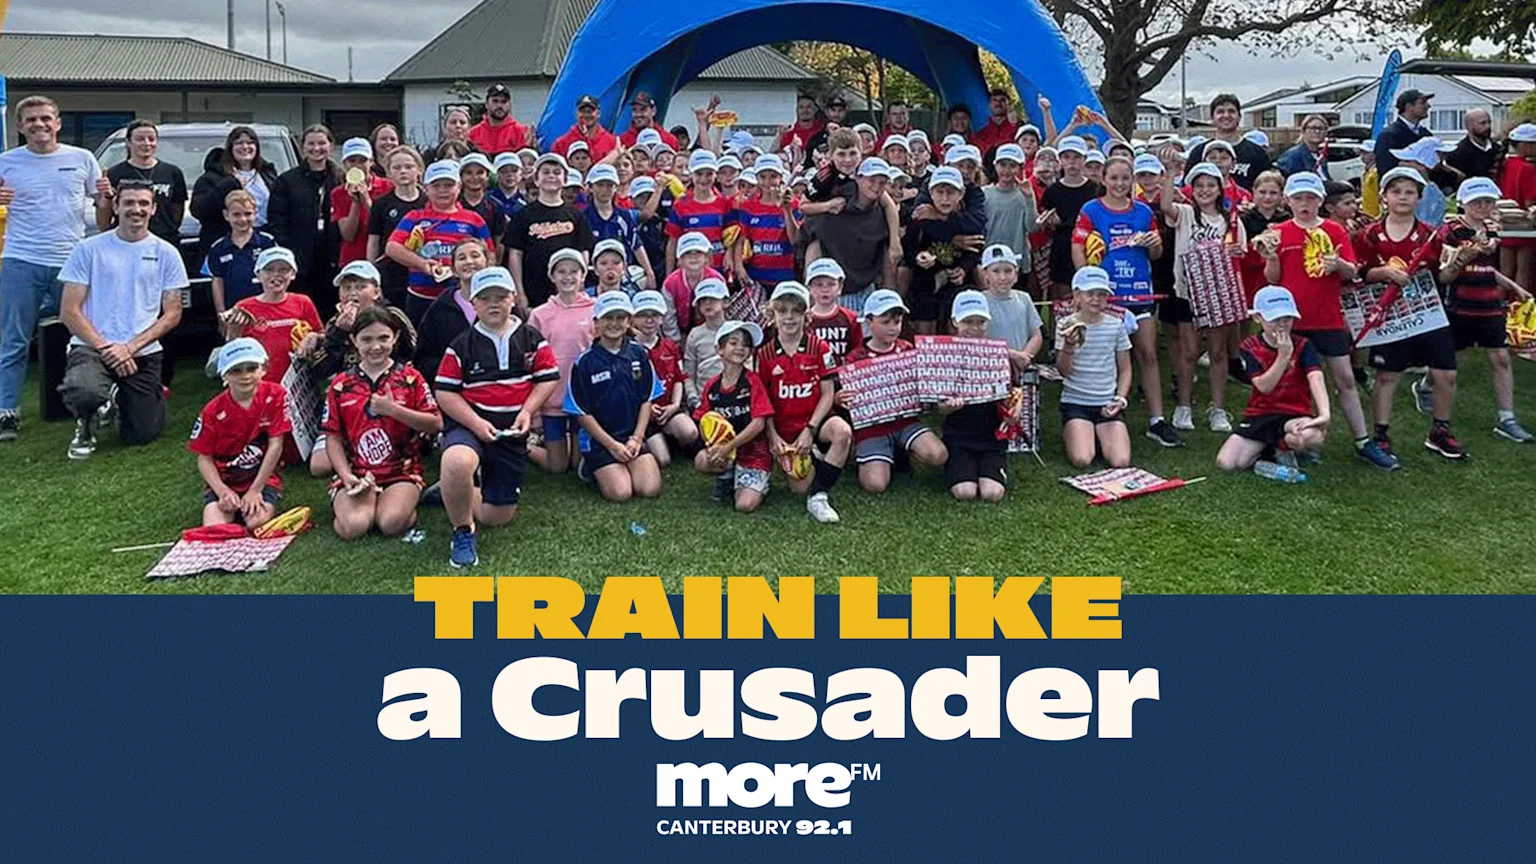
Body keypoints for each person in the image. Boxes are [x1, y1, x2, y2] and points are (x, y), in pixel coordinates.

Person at [1259, 172, 1394, 468]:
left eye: (1310, 198)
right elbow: (1273, 279)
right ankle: (1301, 438)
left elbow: (1352, 272)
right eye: (1298, 198)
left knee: (1345, 379)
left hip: (1328, 318)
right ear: (1288, 201)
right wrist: (1272, 257)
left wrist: (1339, 264)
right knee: (1294, 383)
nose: (1304, 204)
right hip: (1292, 321)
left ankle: (1363, 440)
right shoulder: (1279, 232)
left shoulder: (1334, 230)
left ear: (1321, 201)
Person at [434, 266, 559, 568]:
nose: (493, 304)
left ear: (513, 298)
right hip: (470, 426)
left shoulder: (531, 338)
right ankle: (462, 530)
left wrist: (527, 411)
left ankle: (452, 490)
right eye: (485, 298)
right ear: (473, 303)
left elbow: (548, 378)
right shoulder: (461, 344)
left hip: (511, 432)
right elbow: (445, 393)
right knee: (457, 461)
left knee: (497, 517)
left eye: (500, 297)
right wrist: (476, 423)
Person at [0, 95, 109, 441]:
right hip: (21, 260)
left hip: (71, 262)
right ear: (20, 127)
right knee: (13, 340)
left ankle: (93, 402)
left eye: (46, 118)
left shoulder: (82, 158)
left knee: (85, 334)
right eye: (31, 120)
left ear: (58, 123)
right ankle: (6, 411)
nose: (39, 125)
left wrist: (106, 197)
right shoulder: (6, 162)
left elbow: (102, 214)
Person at [56, 180, 186, 458]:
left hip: (142, 351)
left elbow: (173, 312)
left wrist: (129, 348)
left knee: (142, 434)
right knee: (85, 390)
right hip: (92, 347)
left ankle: (117, 398)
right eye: (129, 203)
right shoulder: (88, 249)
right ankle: (86, 423)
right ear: (115, 206)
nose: (136, 209)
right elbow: (69, 310)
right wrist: (107, 348)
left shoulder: (167, 253)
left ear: (153, 209)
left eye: (143, 203)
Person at [1353, 167, 1463, 460]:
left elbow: (1442, 276)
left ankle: (1440, 430)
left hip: (1427, 312)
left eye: (1409, 192)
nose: (1402, 197)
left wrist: (1457, 264)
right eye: (1396, 191)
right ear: (1384, 197)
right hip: (1390, 314)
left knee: (1446, 373)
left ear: (1419, 198)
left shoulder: (1430, 235)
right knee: (1388, 374)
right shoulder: (1369, 235)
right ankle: (1381, 433)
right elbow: (1359, 274)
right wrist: (1384, 273)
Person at [1073, 156, 1174, 445]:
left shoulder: (1143, 211)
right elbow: (1077, 247)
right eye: (1114, 178)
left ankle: (1157, 420)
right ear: (1103, 179)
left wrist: (1155, 245)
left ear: (1133, 180)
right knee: (1106, 355)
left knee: (1148, 353)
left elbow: (1155, 253)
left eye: (1125, 178)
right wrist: (1084, 285)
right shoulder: (1091, 209)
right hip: (1106, 294)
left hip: (1139, 290)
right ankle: (1105, 413)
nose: (1119, 184)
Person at [322, 305, 442, 539]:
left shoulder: (410, 378)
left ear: (395, 338)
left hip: (401, 473)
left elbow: (435, 424)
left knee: (390, 523)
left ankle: (395, 504)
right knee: (354, 527)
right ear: (354, 341)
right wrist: (346, 476)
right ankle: (364, 501)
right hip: (357, 473)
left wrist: (394, 410)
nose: (375, 347)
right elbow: (332, 437)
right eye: (366, 339)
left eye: (383, 338)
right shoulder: (341, 384)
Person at [1440, 177, 1535, 443]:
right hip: (1459, 303)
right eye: (1476, 202)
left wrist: (1513, 286)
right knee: (1450, 359)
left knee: (1501, 357)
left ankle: (1507, 418)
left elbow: (1487, 268)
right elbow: (1446, 274)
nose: (1482, 206)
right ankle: (1425, 387)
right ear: (1463, 203)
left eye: (1488, 201)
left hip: (1489, 304)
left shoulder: (1492, 230)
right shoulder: (1452, 230)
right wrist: (1464, 256)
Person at [306, 260, 418, 478]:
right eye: (346, 287)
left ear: (376, 292)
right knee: (319, 466)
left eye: (360, 286)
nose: (352, 292)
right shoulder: (336, 323)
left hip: (390, 398)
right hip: (349, 404)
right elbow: (320, 369)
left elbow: (413, 351)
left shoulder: (393, 316)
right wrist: (338, 334)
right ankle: (351, 449)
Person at [1159, 162, 1245, 434]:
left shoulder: (1231, 219)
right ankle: (1183, 406)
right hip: (1187, 292)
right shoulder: (1185, 213)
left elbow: (1240, 251)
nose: (1205, 190)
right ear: (1191, 189)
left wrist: (1236, 253)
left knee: (1218, 351)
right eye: (1199, 185)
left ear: (1220, 189)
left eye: (1210, 185)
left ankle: (1217, 408)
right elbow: (1165, 206)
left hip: (1218, 293)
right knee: (1189, 351)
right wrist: (1170, 173)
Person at [757, 281, 851, 524]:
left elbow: (828, 393)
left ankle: (819, 497)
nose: (789, 317)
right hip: (785, 427)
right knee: (799, 487)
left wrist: (810, 429)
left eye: (796, 311)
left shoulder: (819, 347)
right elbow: (764, 403)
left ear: (806, 315)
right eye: (782, 311)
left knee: (842, 432)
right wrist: (773, 436)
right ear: (772, 314)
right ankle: (818, 462)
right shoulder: (764, 355)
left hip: (815, 421)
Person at [845, 290, 949, 493]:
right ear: (869, 322)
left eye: (897, 321)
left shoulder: (907, 349)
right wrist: (842, 398)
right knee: (875, 485)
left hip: (905, 421)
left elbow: (923, 384)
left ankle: (900, 452)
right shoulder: (855, 358)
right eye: (885, 322)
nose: (893, 327)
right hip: (871, 428)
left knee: (938, 454)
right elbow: (848, 397)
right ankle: (870, 457)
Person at [563, 292, 664, 501]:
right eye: (608, 317)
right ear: (596, 322)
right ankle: (590, 465)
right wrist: (612, 445)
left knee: (649, 489)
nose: (614, 323)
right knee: (621, 493)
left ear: (629, 321)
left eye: (620, 317)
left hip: (631, 437)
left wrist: (636, 439)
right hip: (601, 442)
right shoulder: (585, 362)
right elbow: (581, 413)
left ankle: (626, 462)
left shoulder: (639, 354)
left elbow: (646, 399)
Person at [1216, 287, 1330, 472]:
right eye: (1275, 319)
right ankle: (1269, 450)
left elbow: (1315, 377)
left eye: (1288, 318)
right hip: (1261, 414)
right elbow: (1264, 386)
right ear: (1258, 318)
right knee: (1227, 463)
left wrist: (1324, 413)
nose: (1282, 324)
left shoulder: (1303, 345)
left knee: (1310, 436)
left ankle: (1284, 447)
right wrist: (1283, 356)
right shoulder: (1250, 346)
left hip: (1294, 413)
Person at [190, 338, 289, 528]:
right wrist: (222, 491)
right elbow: (204, 458)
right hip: (225, 479)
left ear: (263, 369)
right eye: (236, 371)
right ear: (224, 375)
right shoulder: (212, 412)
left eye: (251, 368)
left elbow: (276, 445)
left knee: (256, 522)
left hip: (261, 478)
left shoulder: (276, 395)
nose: (245, 376)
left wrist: (256, 490)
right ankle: (228, 503)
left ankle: (260, 498)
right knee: (214, 526)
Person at [387, 159, 493, 324]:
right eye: (436, 186)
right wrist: (422, 264)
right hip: (421, 296)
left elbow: (490, 255)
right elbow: (392, 247)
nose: (442, 190)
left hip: (462, 297)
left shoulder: (474, 219)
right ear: (426, 188)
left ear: (459, 187)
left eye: (448, 185)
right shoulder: (414, 217)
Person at [527, 248, 598, 474]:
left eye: (574, 271)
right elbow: (531, 360)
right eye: (561, 272)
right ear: (552, 276)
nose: (568, 277)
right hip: (552, 399)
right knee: (557, 467)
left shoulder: (595, 309)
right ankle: (522, 447)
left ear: (583, 275)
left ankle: (573, 444)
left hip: (582, 397)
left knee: (577, 463)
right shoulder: (540, 314)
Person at [939, 291, 1014, 502]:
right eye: (967, 321)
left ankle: (993, 467)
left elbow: (1012, 395)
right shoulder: (944, 355)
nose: (974, 328)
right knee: (964, 492)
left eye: (980, 322)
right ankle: (957, 466)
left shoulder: (997, 354)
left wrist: (1013, 410)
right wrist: (948, 407)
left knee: (993, 493)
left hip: (992, 437)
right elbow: (938, 407)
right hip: (958, 436)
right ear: (955, 321)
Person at [223, 247, 325, 402]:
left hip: (298, 383)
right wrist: (233, 330)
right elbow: (232, 350)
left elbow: (322, 335)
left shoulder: (303, 303)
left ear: (293, 274)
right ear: (258, 274)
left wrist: (313, 336)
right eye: (269, 269)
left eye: (283, 269)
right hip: (260, 385)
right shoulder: (244, 307)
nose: (276, 275)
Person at [693, 320, 775, 512]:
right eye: (733, 342)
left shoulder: (752, 382)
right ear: (719, 349)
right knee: (701, 460)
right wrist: (713, 445)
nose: (740, 348)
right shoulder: (712, 385)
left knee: (744, 506)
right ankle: (728, 475)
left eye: (746, 345)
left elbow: (758, 424)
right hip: (727, 451)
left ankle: (759, 482)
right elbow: (703, 420)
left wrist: (729, 446)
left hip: (754, 453)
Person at [1056, 267, 1133, 468]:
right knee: (1082, 459)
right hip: (1076, 401)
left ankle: (1097, 435)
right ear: (1077, 296)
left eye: (1102, 294)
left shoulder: (1116, 325)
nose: (1096, 299)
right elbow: (1063, 371)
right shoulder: (1065, 324)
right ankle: (1079, 432)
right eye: (1090, 294)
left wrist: (1120, 399)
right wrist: (1068, 346)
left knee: (1121, 461)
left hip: (1107, 401)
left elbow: (1125, 369)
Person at [802, 156, 901, 312]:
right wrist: (812, 304)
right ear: (858, 179)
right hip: (831, 296)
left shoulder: (882, 215)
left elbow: (888, 263)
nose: (876, 186)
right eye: (872, 180)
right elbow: (812, 248)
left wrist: (890, 303)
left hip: (867, 292)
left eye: (882, 182)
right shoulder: (833, 207)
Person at [269, 124, 342, 316]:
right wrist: (290, 252)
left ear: (331, 145)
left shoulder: (340, 178)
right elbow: (277, 220)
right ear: (303, 147)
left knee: (331, 311)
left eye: (321, 143)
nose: (316, 148)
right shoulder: (287, 181)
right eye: (311, 144)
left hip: (333, 257)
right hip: (300, 259)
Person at [504, 152, 593, 309]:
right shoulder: (522, 215)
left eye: (557, 172)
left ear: (565, 180)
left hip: (568, 291)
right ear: (536, 180)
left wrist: (580, 285)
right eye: (545, 172)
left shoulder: (576, 216)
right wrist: (519, 292)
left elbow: (583, 252)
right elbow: (515, 254)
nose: (551, 176)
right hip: (533, 293)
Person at [901, 166, 980, 334]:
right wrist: (918, 257)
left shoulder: (967, 219)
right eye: (939, 192)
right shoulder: (921, 216)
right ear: (931, 193)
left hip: (957, 286)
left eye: (950, 193)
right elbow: (909, 248)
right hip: (926, 283)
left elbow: (976, 250)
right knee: (925, 332)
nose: (945, 199)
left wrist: (963, 269)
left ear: (961, 193)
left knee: (956, 328)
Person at [629, 289, 698, 466]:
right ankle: (650, 441)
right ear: (633, 319)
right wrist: (647, 410)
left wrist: (674, 406)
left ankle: (670, 437)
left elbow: (678, 379)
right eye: (643, 315)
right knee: (663, 459)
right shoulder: (628, 350)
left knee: (690, 432)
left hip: (667, 409)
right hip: (641, 415)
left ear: (662, 318)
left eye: (654, 315)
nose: (649, 320)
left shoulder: (669, 346)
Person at [95, 120, 187, 244]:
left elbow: (177, 212)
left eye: (151, 139)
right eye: (140, 139)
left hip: (164, 240)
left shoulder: (172, 172)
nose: (147, 143)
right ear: (128, 142)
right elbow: (103, 224)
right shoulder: (114, 174)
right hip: (126, 241)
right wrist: (106, 197)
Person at [415, 237, 493, 383]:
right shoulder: (439, 308)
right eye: (462, 258)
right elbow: (425, 356)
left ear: (488, 263)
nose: (469, 261)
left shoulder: (504, 304)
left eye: (475, 256)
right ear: (454, 270)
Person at [192, 125, 279, 252]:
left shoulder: (268, 174)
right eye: (239, 143)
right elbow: (198, 210)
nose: (245, 147)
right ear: (230, 147)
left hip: (262, 242)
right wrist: (227, 185)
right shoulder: (213, 177)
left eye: (250, 142)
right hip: (226, 245)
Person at [1039, 135, 1104, 297]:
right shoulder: (1052, 191)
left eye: (1076, 157)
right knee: (1062, 299)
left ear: (1084, 159)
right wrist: (1050, 223)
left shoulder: (1096, 189)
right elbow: (1044, 223)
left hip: (1090, 249)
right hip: (1061, 250)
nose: (1072, 162)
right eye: (1067, 157)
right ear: (1060, 161)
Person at [367, 146, 426, 309]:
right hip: (391, 273)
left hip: (422, 272)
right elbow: (373, 241)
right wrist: (371, 272)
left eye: (409, 166)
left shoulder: (429, 202)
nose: (403, 171)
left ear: (419, 169)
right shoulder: (381, 204)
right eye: (397, 167)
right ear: (389, 172)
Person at [731, 154, 800, 292]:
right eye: (763, 177)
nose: (768, 182)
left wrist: (786, 210)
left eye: (773, 176)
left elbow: (795, 240)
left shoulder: (793, 204)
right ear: (756, 178)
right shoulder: (747, 206)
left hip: (785, 278)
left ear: (781, 177)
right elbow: (742, 238)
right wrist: (739, 266)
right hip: (756, 278)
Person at [584, 163, 656, 290]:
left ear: (616, 188)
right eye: (600, 185)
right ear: (590, 187)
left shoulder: (624, 216)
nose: (605, 190)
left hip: (622, 278)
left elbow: (636, 245)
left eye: (609, 185)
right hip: (592, 279)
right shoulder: (583, 218)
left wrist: (649, 273)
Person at [206, 190, 276, 316]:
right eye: (236, 214)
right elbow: (217, 282)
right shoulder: (218, 248)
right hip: (233, 312)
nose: (242, 219)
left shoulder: (267, 242)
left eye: (247, 214)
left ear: (255, 213)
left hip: (265, 311)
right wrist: (221, 313)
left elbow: (277, 276)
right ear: (226, 215)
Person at [666, 150, 735, 273]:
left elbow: (732, 235)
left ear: (715, 175)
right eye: (699, 174)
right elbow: (672, 242)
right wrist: (669, 275)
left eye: (709, 174)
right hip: (690, 272)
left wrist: (730, 253)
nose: (704, 179)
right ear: (691, 174)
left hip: (719, 270)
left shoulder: (725, 203)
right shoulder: (680, 205)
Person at [1186, 94, 1272, 190]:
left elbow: (1266, 187)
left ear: (1239, 117)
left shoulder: (1257, 153)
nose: (1226, 115)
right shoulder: (1199, 152)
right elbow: (1188, 188)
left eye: (1231, 111)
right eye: (1220, 112)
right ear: (1212, 118)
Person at [331, 138, 393, 271]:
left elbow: (386, 226)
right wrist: (355, 202)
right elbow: (348, 235)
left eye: (362, 160)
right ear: (344, 164)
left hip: (382, 257)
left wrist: (366, 200)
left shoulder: (388, 187)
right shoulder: (338, 193)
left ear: (371, 162)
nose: (357, 165)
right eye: (352, 161)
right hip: (352, 259)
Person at [983, 144, 1039, 267]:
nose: (1007, 170)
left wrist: (1029, 198)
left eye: (1012, 166)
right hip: (989, 260)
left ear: (1020, 168)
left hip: (1017, 260)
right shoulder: (984, 194)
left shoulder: (1025, 195)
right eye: (1003, 165)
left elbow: (1032, 227)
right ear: (995, 166)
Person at [1497, 124, 1536, 299]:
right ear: (1525, 145)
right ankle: (1521, 308)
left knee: (1505, 272)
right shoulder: (1527, 168)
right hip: (1524, 225)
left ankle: (1500, 306)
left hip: (1505, 223)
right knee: (1524, 272)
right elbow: (1530, 202)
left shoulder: (1505, 164)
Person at [662, 232, 724, 339]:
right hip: (680, 331)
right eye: (687, 253)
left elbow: (721, 311)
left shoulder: (717, 279)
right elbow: (668, 317)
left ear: (707, 257)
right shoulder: (670, 283)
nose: (693, 257)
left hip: (710, 331)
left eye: (698, 252)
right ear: (680, 259)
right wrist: (675, 340)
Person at [805, 257, 862, 365]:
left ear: (840, 287)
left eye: (831, 284)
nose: (825, 289)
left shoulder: (850, 317)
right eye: (819, 284)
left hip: (844, 371)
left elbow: (858, 347)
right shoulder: (804, 319)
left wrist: (848, 361)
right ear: (810, 288)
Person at [683, 277, 730, 409]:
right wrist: (694, 399)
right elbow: (688, 373)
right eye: (703, 301)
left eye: (713, 299)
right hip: (704, 401)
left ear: (725, 302)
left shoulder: (737, 330)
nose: (707, 304)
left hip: (735, 400)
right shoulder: (695, 334)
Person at [1387, 138, 1449, 227]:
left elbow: (1426, 226)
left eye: (1407, 161)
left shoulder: (1430, 193)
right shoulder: (1428, 190)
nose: (1401, 163)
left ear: (1422, 165)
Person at [1374, 88, 1435, 173]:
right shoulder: (1389, 135)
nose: (1428, 106)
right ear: (1409, 106)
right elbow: (1384, 165)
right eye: (1422, 103)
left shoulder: (1426, 135)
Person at [457, 153, 509, 244]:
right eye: (469, 173)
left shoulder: (496, 206)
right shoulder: (453, 204)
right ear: (461, 177)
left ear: (487, 176)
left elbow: (499, 241)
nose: (474, 177)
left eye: (480, 172)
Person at [468, 84, 533, 156]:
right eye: (495, 101)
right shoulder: (473, 133)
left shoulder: (520, 131)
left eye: (504, 102)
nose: (499, 105)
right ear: (486, 104)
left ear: (509, 105)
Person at [553, 94, 620, 164]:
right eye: (582, 111)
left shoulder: (612, 142)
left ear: (598, 114)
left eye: (590, 111)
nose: (587, 115)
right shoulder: (561, 144)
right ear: (576, 114)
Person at [1444, 108, 1500, 182]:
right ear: (1469, 126)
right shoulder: (1457, 153)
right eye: (1482, 123)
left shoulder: (1498, 150)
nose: (1488, 126)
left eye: (1489, 122)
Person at [972, 88, 1020, 157]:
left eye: (1002, 100)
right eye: (994, 100)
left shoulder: (1018, 130)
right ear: (989, 105)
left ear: (1008, 105)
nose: (998, 103)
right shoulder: (979, 136)